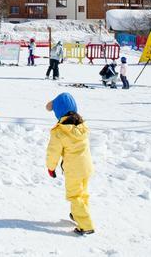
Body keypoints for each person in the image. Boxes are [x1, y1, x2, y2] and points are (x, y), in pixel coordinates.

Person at [44, 92, 95, 236]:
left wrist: (51, 167)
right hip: (87, 167)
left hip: (73, 170)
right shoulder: (82, 126)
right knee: (82, 193)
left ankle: (86, 225)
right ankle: (77, 213)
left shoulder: (59, 132)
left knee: (74, 196)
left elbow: (53, 152)